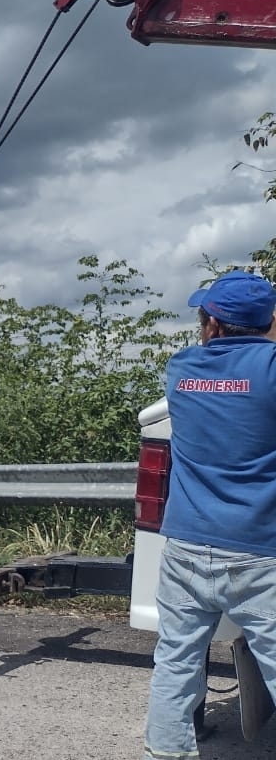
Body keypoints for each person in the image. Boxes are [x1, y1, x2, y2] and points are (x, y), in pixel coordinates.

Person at [144, 269, 276, 759]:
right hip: (260, 552)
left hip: (185, 547)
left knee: (175, 666)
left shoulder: (180, 370)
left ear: (213, 325)